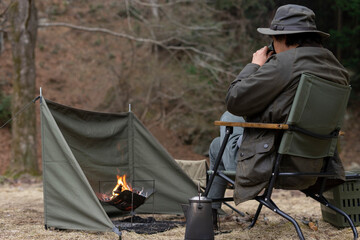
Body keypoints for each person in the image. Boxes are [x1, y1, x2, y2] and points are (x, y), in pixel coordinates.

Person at [225, 4, 348, 205]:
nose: (272, 46)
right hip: (316, 164)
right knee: (231, 120)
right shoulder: (337, 68)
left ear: (284, 38)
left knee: (223, 130)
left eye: (272, 40)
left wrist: (255, 65)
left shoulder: (285, 63)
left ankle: (208, 214)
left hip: (275, 163)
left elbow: (234, 100)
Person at [207, 111, 244, 229]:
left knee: (230, 114)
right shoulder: (298, 110)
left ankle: (210, 214)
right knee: (217, 145)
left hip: (251, 165)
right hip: (295, 170)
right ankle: (211, 209)